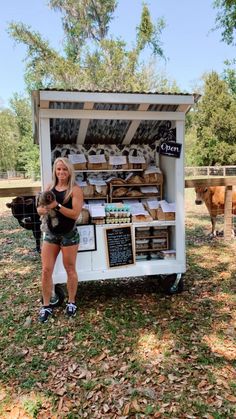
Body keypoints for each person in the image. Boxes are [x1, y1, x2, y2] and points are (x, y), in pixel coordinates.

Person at [37, 157, 84, 323]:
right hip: (51, 233)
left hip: (69, 234)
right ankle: (46, 305)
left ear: (69, 171)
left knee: (70, 268)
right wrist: (43, 209)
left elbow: (74, 214)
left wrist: (56, 206)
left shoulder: (75, 190)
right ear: (55, 171)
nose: (61, 172)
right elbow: (40, 208)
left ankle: (71, 302)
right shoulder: (49, 187)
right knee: (46, 270)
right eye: (58, 169)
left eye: (64, 169)